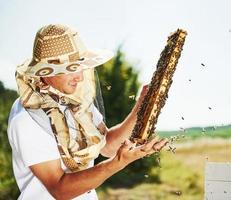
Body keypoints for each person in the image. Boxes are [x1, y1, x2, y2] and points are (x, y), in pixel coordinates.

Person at [7, 24, 168, 200]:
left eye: (80, 66)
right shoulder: (27, 118)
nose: (80, 77)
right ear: (44, 72)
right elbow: (60, 190)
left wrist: (142, 106)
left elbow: (107, 145)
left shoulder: (74, 101)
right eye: (70, 69)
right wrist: (119, 162)